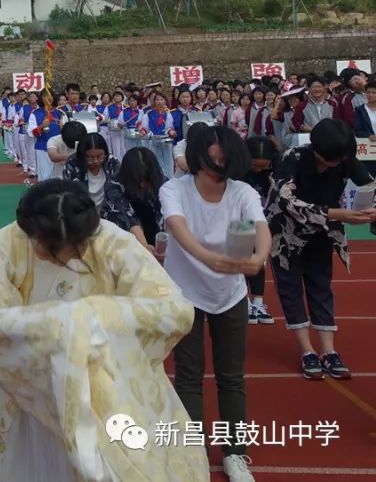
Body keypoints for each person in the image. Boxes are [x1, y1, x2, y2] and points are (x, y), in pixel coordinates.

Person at [0, 179, 206, 481]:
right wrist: (53, 326)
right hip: (38, 395)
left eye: (73, 246)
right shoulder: (11, 244)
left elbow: (174, 309)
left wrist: (92, 318)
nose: (66, 254)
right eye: (51, 247)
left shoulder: (111, 241)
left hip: (109, 390)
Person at [161, 124, 270, 482]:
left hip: (230, 294)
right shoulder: (174, 188)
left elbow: (259, 228)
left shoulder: (241, 192)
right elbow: (178, 228)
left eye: (224, 159)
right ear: (197, 156)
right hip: (186, 293)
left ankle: (235, 453)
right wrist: (207, 258)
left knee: (231, 376)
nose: (217, 166)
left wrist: (259, 258)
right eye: (212, 158)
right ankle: (193, 454)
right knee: (189, 378)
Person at [266, 117, 376, 380]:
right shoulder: (293, 157)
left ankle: (328, 350)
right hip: (286, 234)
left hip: (322, 233)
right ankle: (307, 350)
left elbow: (370, 184)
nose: (337, 165)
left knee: (321, 285)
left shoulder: (344, 157)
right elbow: (286, 201)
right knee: (291, 288)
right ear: (317, 149)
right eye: (331, 160)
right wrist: (336, 213)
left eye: (341, 160)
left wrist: (370, 208)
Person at [62, 132, 147, 246]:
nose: (96, 161)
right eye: (90, 158)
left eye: (99, 156)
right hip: (81, 216)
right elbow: (71, 198)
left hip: (108, 214)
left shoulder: (112, 163)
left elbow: (119, 200)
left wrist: (144, 244)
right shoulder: (72, 165)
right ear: (82, 156)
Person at [242, 137, 279, 325]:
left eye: (263, 166)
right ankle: (243, 301)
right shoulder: (236, 171)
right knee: (240, 257)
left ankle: (257, 301)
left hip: (262, 219)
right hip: (238, 221)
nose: (258, 169)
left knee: (259, 260)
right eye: (255, 165)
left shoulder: (273, 171)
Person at [118, 146, 167, 246]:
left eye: (147, 179)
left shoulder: (165, 186)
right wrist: (145, 247)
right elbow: (127, 217)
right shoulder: (116, 187)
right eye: (137, 180)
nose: (142, 184)